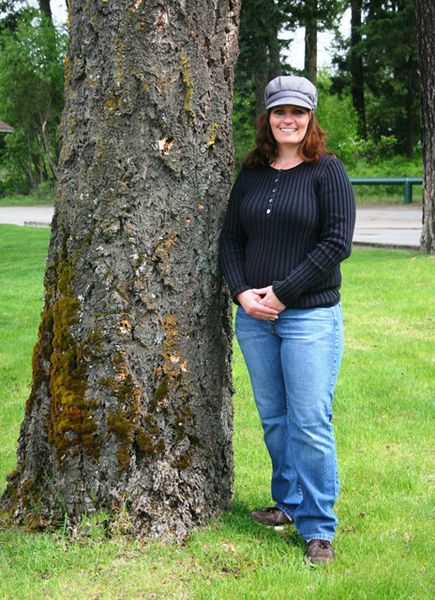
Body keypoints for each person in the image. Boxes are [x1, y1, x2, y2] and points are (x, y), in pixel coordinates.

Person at [219, 75, 356, 565]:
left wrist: (280, 293)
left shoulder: (328, 172)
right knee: (275, 420)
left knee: (309, 422)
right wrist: (241, 293)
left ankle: (318, 529)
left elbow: (337, 243)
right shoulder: (252, 173)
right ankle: (289, 504)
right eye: (280, 112)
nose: (289, 120)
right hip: (255, 318)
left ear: (310, 118)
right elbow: (231, 238)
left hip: (310, 318)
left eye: (298, 112)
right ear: (268, 117)